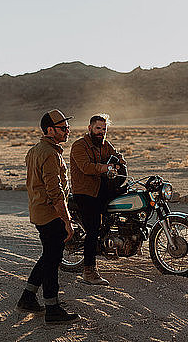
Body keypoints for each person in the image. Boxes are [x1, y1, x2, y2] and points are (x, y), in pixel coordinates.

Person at [16, 109, 80, 324]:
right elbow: (55, 193)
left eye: (67, 127)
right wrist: (67, 221)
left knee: (48, 256)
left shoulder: (36, 150)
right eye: (63, 128)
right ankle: (52, 309)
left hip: (39, 212)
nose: (67, 131)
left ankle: (27, 297)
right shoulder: (51, 154)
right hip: (50, 214)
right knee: (53, 261)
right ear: (50, 130)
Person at [70, 114, 127, 286]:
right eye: (98, 128)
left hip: (102, 188)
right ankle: (89, 270)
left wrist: (119, 159)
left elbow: (115, 154)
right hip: (85, 191)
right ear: (89, 128)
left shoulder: (105, 145)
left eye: (104, 129)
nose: (101, 132)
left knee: (123, 205)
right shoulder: (79, 146)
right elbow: (86, 167)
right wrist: (107, 167)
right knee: (93, 229)